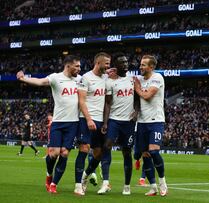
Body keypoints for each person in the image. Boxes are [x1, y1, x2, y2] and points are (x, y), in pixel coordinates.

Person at [16, 55, 81, 194]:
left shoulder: (80, 80)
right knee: (53, 154)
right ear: (68, 66)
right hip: (58, 122)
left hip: (73, 123)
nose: (79, 69)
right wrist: (23, 79)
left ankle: (54, 184)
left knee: (64, 153)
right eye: (77, 66)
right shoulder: (56, 78)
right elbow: (39, 82)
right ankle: (49, 174)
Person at [99, 53, 139, 195]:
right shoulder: (109, 82)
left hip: (128, 122)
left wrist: (136, 112)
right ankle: (105, 182)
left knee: (127, 152)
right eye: (122, 62)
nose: (126, 64)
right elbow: (108, 103)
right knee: (106, 146)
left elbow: (138, 99)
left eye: (127, 61)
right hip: (114, 120)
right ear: (116, 65)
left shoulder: (133, 80)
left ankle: (127, 186)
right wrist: (105, 122)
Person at [74, 52, 110, 196]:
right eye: (106, 63)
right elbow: (81, 100)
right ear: (98, 63)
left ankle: (85, 176)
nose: (108, 66)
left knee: (99, 153)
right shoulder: (86, 78)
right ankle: (78, 185)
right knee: (84, 148)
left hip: (101, 120)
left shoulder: (106, 77)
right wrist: (88, 119)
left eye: (109, 63)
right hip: (86, 119)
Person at [133, 55, 168, 196]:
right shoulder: (139, 79)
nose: (140, 67)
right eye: (140, 64)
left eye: (144, 65)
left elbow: (147, 96)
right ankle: (153, 187)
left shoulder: (157, 78)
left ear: (151, 67)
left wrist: (137, 88)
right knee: (145, 155)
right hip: (141, 122)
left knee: (154, 151)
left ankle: (162, 182)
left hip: (156, 121)